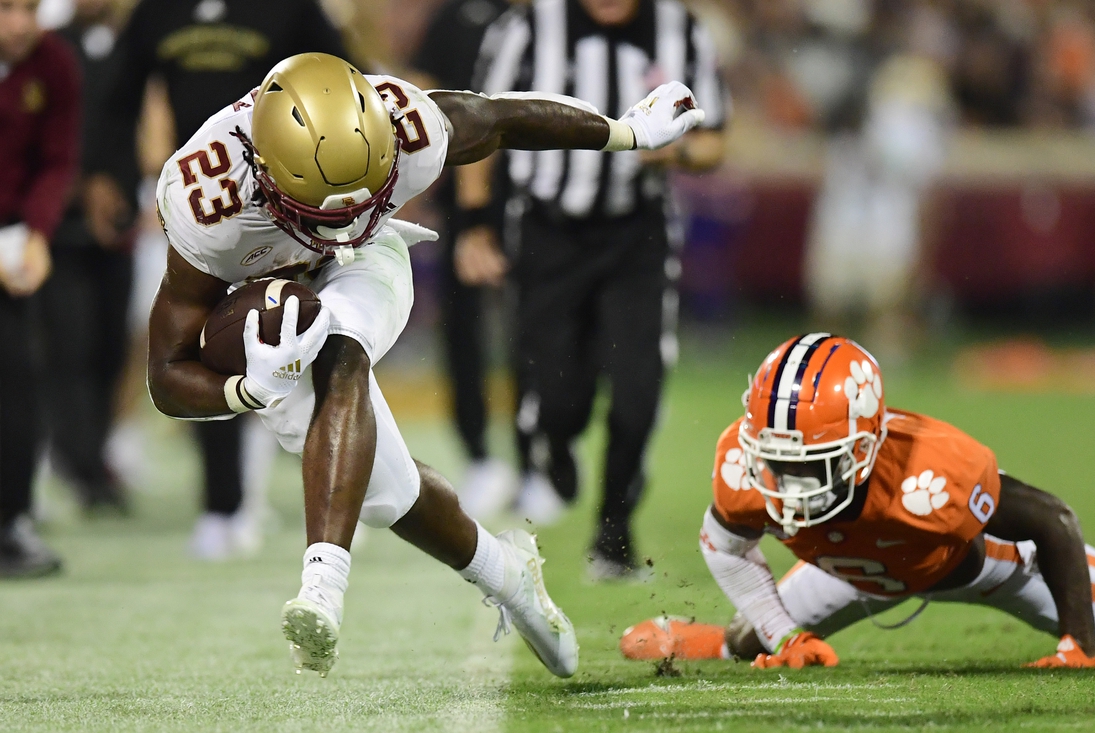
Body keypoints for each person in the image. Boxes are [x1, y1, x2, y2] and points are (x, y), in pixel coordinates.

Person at [145, 52, 706, 675]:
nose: (339, 224)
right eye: (321, 210)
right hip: (269, 307)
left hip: (368, 264)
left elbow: (502, 118)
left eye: (360, 199)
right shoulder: (207, 198)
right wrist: (250, 389)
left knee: (342, 352)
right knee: (386, 494)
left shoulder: (403, 123)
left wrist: (625, 133)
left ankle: (322, 588)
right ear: (263, 172)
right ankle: (509, 575)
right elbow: (166, 377)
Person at [619, 335, 1095, 669]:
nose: (789, 486)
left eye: (810, 464)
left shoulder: (930, 473)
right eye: (777, 461)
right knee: (753, 639)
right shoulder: (743, 468)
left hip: (984, 562)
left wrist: (1079, 645)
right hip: (855, 570)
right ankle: (709, 641)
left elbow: (1052, 519)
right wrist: (786, 636)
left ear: (863, 449)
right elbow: (725, 546)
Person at [472, 0, 728, 578]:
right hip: (548, 232)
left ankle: (614, 532)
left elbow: (715, 139)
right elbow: (476, 126)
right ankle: (555, 449)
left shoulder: (678, 28)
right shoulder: (528, 27)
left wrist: (677, 150)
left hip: (635, 234)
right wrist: (476, 226)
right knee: (559, 397)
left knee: (639, 391)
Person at [92, 0, 348, 558]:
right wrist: (110, 175)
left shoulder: (292, 8)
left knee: (283, 335)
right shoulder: (158, 12)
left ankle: (277, 492)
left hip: (288, 203)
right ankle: (222, 501)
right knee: (212, 342)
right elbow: (116, 97)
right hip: (201, 206)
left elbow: (344, 84)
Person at [408, 0, 516, 520]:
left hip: (544, 201)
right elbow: (421, 87)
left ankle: (541, 454)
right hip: (467, 201)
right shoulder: (457, 16)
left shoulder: (559, 19)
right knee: (463, 331)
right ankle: (479, 454)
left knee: (542, 329)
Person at [37, 0, 132, 514]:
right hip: (59, 229)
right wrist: (78, 188)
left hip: (120, 229)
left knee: (110, 349)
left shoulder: (133, 48)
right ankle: (82, 467)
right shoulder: (52, 50)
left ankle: (95, 455)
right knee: (70, 349)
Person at [0, 0, 81, 576]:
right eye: (7, 8)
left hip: (11, 236)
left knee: (18, 381)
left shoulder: (54, 63)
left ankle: (11, 522)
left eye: (29, 7)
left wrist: (37, 235)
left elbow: (57, 160)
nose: (20, 23)